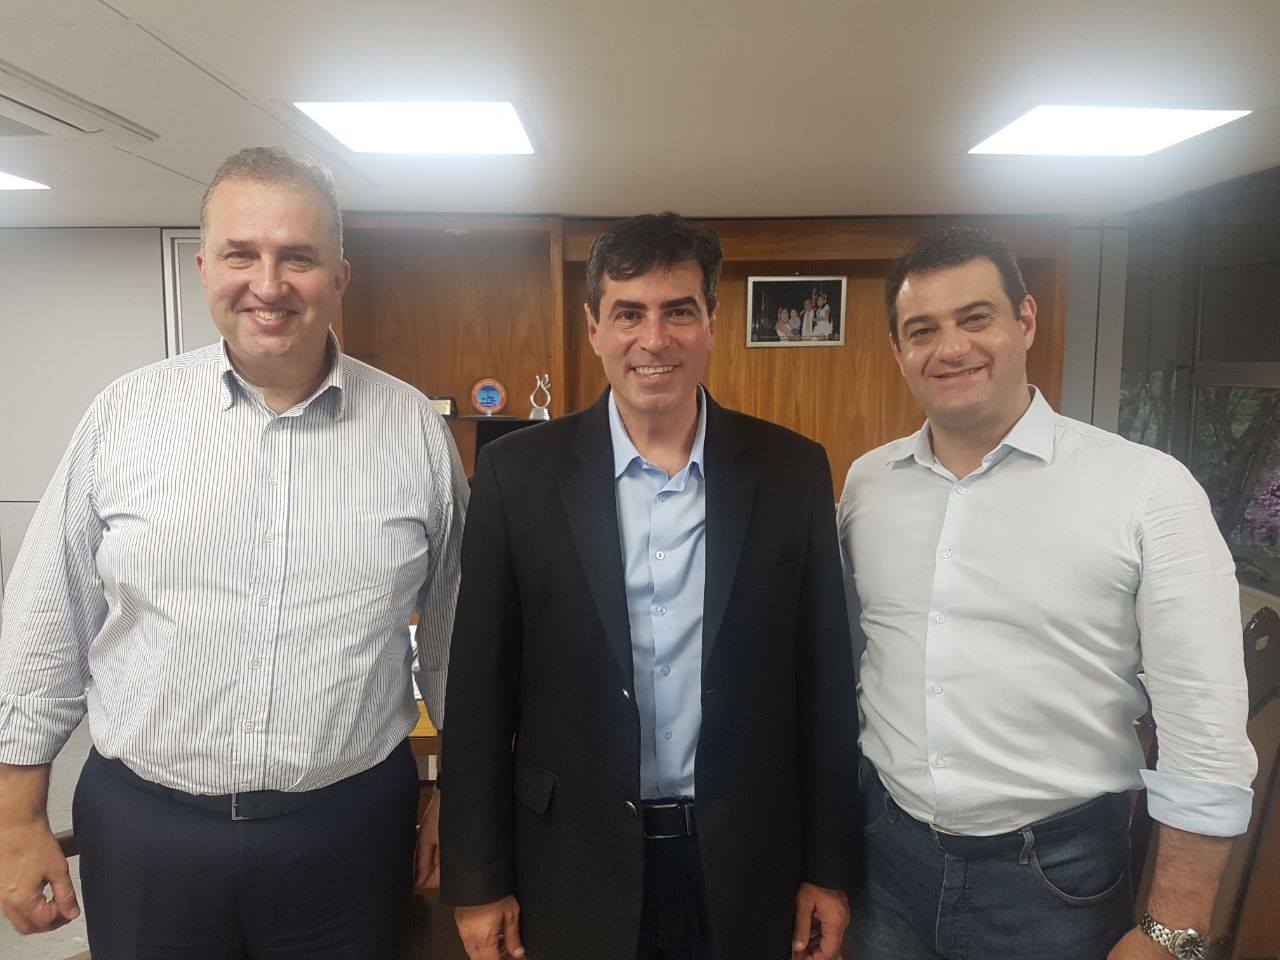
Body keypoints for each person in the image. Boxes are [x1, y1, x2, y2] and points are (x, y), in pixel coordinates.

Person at [0, 146, 469, 957]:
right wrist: (16, 818)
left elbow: (459, 642)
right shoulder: (124, 417)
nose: (268, 283)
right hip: (147, 833)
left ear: (340, 277)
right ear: (204, 267)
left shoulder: (415, 433)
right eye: (241, 254)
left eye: (298, 257)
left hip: (348, 833)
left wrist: (459, 796)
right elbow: (45, 623)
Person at [441, 212, 858, 960]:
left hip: (747, 861)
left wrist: (827, 868)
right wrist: (477, 878)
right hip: (570, 859)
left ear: (712, 324)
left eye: (679, 312)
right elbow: (478, 690)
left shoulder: (792, 471)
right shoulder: (516, 475)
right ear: (594, 327)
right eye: (629, 313)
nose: (654, 339)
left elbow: (825, 686)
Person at [838, 225, 1256, 960]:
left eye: (976, 318)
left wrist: (1171, 933)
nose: (952, 348)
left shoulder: (1146, 489)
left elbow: (1206, 733)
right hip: (885, 859)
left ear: (1025, 319)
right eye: (923, 330)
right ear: (898, 350)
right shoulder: (868, 485)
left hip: (1057, 883)